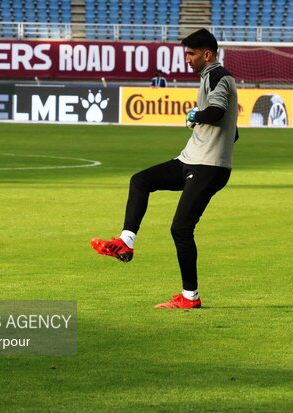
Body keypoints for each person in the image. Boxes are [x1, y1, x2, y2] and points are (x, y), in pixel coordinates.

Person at [91, 28, 239, 309]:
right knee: (141, 180)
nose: (187, 59)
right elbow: (232, 133)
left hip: (207, 165)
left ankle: (190, 297)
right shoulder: (210, 76)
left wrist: (197, 116)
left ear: (207, 55)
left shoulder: (218, 76)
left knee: (181, 228)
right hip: (191, 159)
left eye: (192, 54)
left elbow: (217, 112)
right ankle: (126, 242)